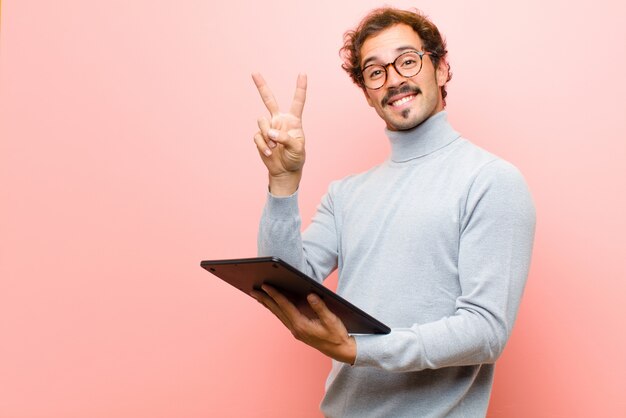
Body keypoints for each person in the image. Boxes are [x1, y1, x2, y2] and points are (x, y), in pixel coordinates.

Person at [250, 7, 536, 417]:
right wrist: (283, 182)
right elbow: (285, 282)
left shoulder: (491, 181)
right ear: (367, 92)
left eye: (407, 61)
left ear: (440, 69)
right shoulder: (345, 194)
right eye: (375, 71)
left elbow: (486, 331)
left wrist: (360, 349)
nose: (394, 79)